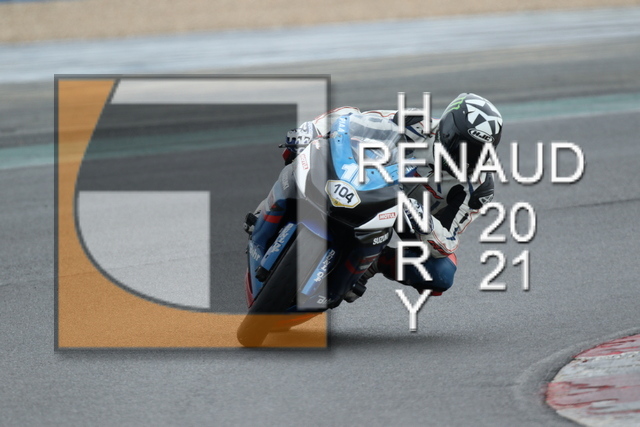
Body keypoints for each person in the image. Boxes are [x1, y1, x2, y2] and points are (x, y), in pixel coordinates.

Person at [279, 93, 503, 298]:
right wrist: (313, 130)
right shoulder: (416, 123)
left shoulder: (480, 188)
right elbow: (353, 119)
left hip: (410, 219)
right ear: (447, 129)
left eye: (477, 152)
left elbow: (448, 241)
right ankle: (274, 208)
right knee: (305, 146)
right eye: (461, 145)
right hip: (372, 180)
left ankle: (374, 263)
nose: (465, 157)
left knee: (442, 272)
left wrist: (423, 219)